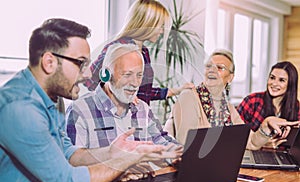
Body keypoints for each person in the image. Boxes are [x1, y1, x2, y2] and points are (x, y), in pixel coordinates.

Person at [0, 18, 181, 182]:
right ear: (49, 63)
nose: (88, 74)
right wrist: (127, 160)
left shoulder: (51, 101)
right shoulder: (21, 108)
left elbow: (70, 155)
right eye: (81, 63)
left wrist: (112, 152)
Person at [66, 43, 181, 180]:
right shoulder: (80, 110)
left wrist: (180, 155)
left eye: (139, 75)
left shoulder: (142, 109)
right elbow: (73, 166)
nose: (135, 83)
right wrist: (120, 169)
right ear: (106, 74)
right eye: (127, 74)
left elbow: (161, 140)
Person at [163, 49, 299, 150]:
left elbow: (250, 142)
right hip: (194, 172)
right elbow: (188, 144)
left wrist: (266, 124)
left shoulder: (227, 108)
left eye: (220, 68)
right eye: (209, 66)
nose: (212, 70)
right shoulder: (188, 97)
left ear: (230, 78)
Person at [84, 0, 194, 105]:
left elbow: (143, 93)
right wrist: (117, 97)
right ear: (147, 23)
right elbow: (89, 80)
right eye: (160, 26)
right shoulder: (117, 48)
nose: (161, 31)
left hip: (138, 120)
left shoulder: (144, 52)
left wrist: (177, 90)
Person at [237, 61, 300, 147]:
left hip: (281, 155)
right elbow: (235, 134)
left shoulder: (296, 107)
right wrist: (262, 144)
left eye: (281, 80)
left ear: (290, 84)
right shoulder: (252, 101)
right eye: (272, 78)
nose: (274, 83)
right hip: (252, 152)